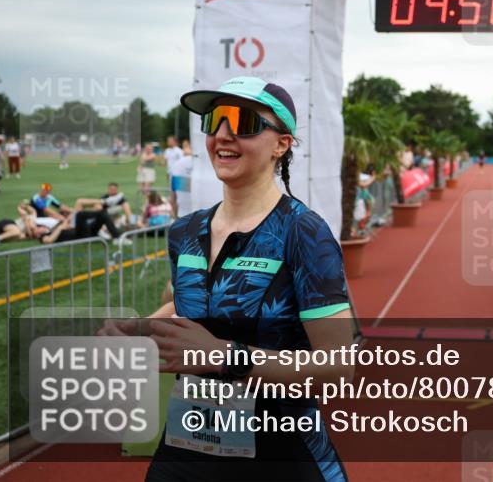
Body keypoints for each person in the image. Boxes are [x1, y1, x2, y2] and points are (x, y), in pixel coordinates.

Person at [99, 76, 353, 481]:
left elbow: (339, 366)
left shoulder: (303, 232)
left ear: (281, 144)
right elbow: (185, 304)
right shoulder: (185, 232)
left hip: (279, 453)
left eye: (243, 121)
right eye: (215, 120)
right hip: (188, 447)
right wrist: (138, 329)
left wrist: (222, 355)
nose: (223, 134)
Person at [170, 139, 194, 217]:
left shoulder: (177, 164)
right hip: (202, 216)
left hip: (183, 215)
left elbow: (173, 196)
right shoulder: (204, 163)